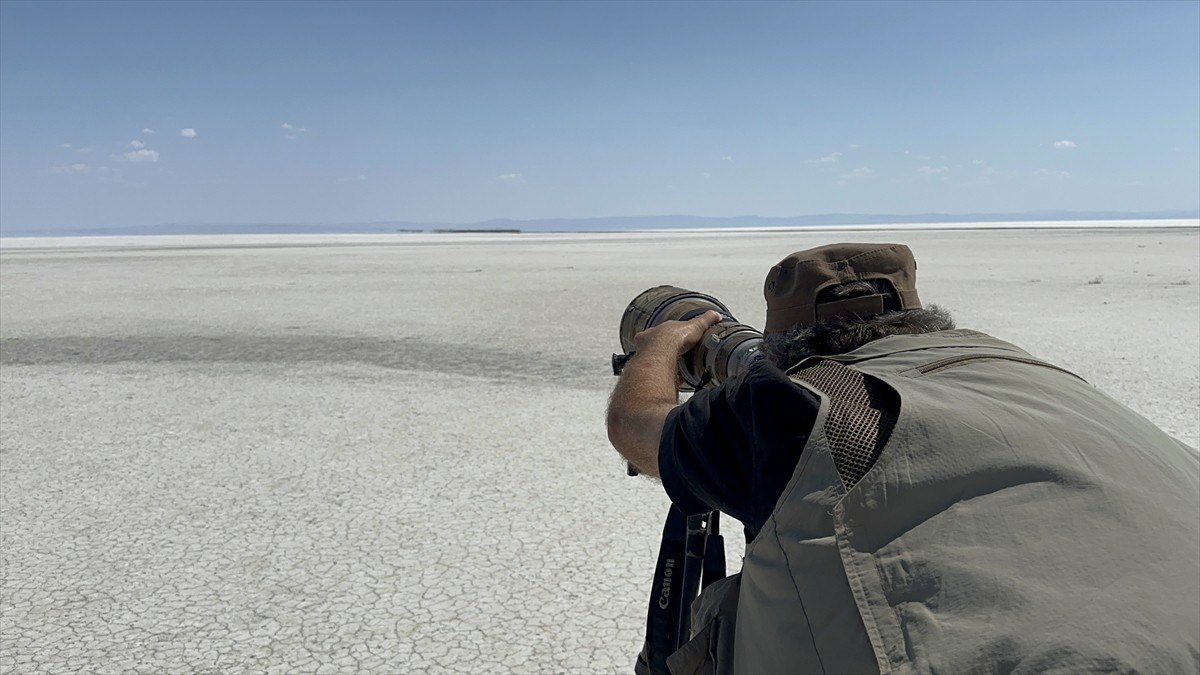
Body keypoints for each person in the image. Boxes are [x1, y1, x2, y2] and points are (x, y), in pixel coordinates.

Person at [607, 242, 1200, 675]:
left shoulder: (795, 407)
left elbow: (637, 431)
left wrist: (658, 349)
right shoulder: (1037, 373)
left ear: (782, 346)